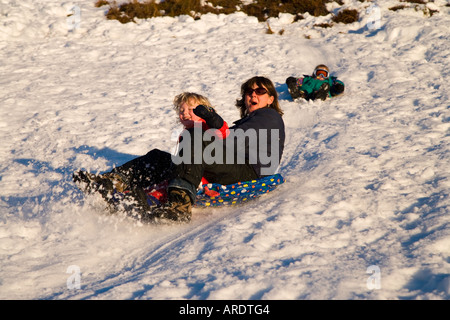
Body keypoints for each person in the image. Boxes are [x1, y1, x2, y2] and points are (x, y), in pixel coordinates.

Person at [73, 92, 228, 219]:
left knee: (166, 183)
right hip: (185, 172)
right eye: (182, 111)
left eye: (192, 110)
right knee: (156, 157)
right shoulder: (186, 133)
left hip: (200, 178)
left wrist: (211, 117)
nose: (185, 114)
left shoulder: (207, 128)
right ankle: (112, 182)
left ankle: (167, 204)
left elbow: (222, 131)